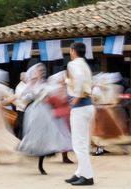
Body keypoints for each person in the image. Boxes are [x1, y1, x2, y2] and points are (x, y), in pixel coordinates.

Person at [18, 63, 72, 175]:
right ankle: (30, 150)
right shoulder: (30, 84)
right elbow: (22, 96)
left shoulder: (44, 83)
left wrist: (61, 85)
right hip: (34, 111)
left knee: (45, 135)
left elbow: (54, 90)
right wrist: (30, 95)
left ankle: (41, 164)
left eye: (42, 71)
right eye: (39, 71)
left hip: (44, 111)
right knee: (34, 134)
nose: (41, 72)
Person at [65, 42, 95, 186]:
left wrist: (76, 97)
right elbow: (86, 80)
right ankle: (79, 173)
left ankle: (87, 176)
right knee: (84, 143)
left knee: (78, 144)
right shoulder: (85, 65)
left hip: (80, 106)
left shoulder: (73, 64)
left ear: (73, 51)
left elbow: (80, 79)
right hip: (88, 106)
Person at [13, 72, 28, 139]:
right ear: (22, 78)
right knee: (23, 125)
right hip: (22, 108)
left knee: (25, 125)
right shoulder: (20, 86)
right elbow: (22, 98)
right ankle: (21, 139)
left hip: (24, 107)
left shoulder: (25, 85)